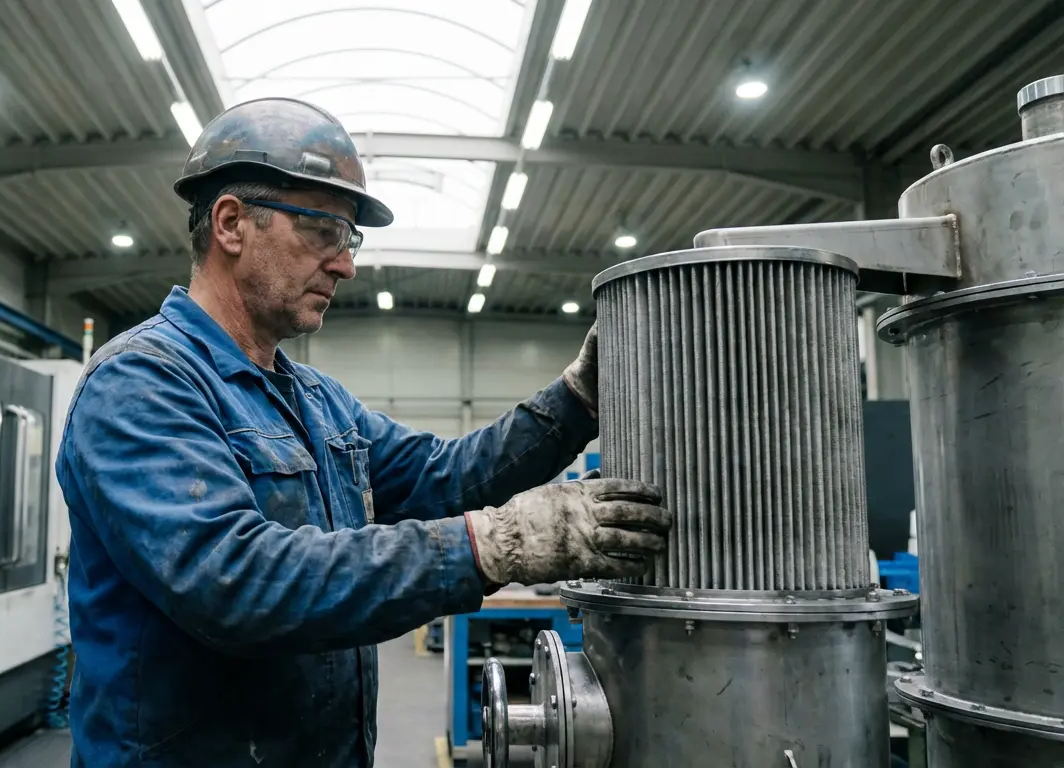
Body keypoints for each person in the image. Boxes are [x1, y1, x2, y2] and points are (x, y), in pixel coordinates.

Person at [55, 97, 672, 768]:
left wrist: (575, 401)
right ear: (231, 223)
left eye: (350, 240)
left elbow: (449, 477)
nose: (345, 264)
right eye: (324, 232)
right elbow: (235, 581)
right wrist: (494, 546)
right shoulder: (141, 384)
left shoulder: (317, 401)